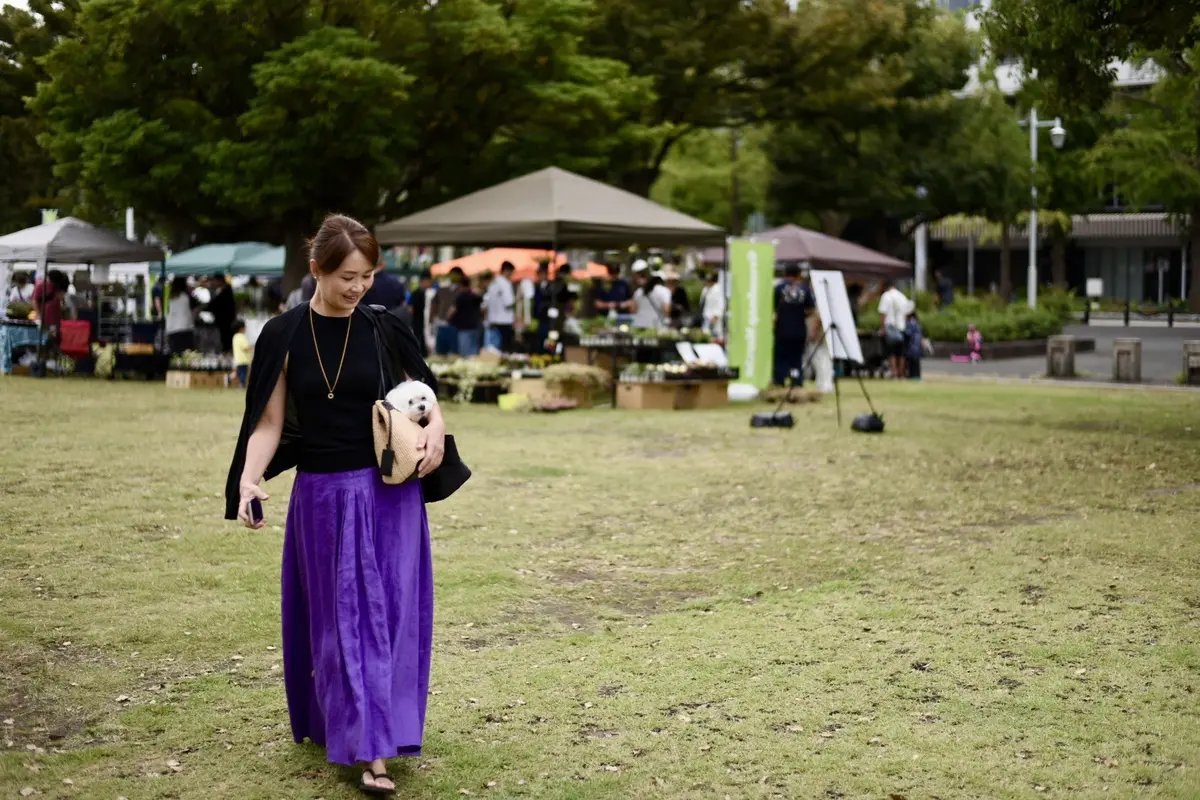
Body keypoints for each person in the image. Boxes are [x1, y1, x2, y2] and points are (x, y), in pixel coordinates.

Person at [225, 214, 447, 797]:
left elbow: (422, 397)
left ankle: (377, 742)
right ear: (317, 268)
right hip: (322, 498)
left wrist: (436, 430)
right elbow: (269, 423)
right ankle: (361, 740)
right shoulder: (283, 334)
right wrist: (250, 481)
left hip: (389, 496)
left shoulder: (383, 327)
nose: (359, 288)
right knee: (342, 622)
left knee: (390, 620)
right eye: (348, 276)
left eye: (368, 276)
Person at [772, 265, 815, 387]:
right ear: (799, 274)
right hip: (799, 330)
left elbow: (773, 308)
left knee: (780, 357)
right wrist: (800, 314)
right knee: (796, 358)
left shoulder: (778, 288)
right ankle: (796, 381)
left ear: (785, 273)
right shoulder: (805, 289)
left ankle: (779, 381)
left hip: (782, 329)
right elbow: (811, 309)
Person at [877, 279, 913, 379]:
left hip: (890, 327)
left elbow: (883, 313)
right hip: (902, 327)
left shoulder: (886, 296)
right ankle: (901, 372)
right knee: (901, 352)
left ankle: (894, 372)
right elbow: (907, 313)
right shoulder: (902, 296)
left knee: (891, 352)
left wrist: (882, 327)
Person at [483, 261, 516, 352]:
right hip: (504, 321)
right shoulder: (505, 284)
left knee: (493, 350)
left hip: (492, 320)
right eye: (511, 272)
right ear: (507, 271)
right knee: (504, 350)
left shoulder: (493, 284)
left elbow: (486, 303)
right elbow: (509, 302)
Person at [449, 275, 483, 357]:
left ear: (460, 285)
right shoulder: (475, 296)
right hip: (475, 327)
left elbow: (452, 311)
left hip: (464, 328)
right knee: (474, 354)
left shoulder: (459, 297)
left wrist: (448, 319)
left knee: (465, 354)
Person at [165, 276, 199, 353]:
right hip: (185, 329)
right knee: (187, 354)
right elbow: (195, 310)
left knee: (175, 354)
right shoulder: (187, 296)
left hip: (172, 330)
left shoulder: (171, 297)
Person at [431, 269, 461, 355]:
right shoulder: (442, 290)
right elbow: (434, 305)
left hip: (453, 326)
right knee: (442, 353)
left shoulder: (460, 291)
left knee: (452, 353)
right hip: (443, 325)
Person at [206, 273, 237, 352]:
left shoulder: (225, 292)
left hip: (226, 322)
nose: (213, 283)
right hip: (224, 321)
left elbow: (214, 304)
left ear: (219, 281)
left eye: (214, 281)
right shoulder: (224, 291)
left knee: (226, 342)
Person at [407, 269, 436, 356]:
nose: (431, 283)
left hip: (421, 325)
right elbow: (411, 309)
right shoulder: (419, 293)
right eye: (429, 281)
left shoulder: (421, 293)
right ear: (424, 281)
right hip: (419, 325)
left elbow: (410, 309)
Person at [699, 271, 725, 339]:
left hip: (713, 318)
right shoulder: (705, 289)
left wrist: (716, 317)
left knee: (714, 336)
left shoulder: (718, 289)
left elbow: (720, 304)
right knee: (705, 336)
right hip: (705, 317)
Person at [231, 319, 251, 388]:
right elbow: (245, 347)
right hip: (244, 359)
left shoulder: (235, 337)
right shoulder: (242, 337)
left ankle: (229, 378)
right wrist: (252, 347)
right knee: (243, 373)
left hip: (238, 359)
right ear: (241, 328)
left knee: (239, 373)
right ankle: (241, 385)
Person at [905, 311, 924, 380]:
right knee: (916, 363)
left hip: (912, 346)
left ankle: (912, 376)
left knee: (912, 363)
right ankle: (917, 376)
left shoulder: (910, 322)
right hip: (918, 346)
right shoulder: (917, 323)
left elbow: (908, 333)